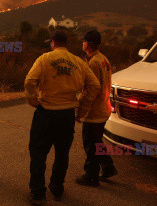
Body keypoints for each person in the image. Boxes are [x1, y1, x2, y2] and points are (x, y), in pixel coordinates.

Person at [24, 30, 100, 205]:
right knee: (62, 153)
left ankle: (37, 193)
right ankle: (57, 188)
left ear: (52, 43)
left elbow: (29, 81)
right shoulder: (79, 62)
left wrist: (33, 101)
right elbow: (94, 85)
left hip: (46, 113)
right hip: (67, 115)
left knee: (38, 153)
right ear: (66, 43)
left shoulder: (44, 59)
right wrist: (82, 109)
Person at [75, 30, 118, 187]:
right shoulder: (102, 59)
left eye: (83, 41)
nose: (82, 44)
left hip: (95, 112)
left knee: (90, 144)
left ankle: (91, 176)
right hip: (103, 109)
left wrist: (80, 112)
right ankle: (108, 168)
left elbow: (90, 90)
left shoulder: (93, 63)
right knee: (97, 141)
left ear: (88, 44)